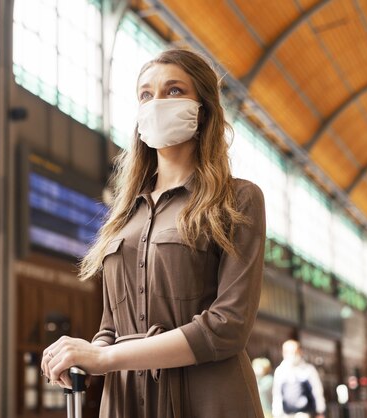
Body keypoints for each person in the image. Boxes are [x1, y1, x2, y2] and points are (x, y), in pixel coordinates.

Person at [40, 48, 266, 418]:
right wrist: (80, 355)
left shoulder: (238, 198)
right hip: (126, 401)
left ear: (203, 109)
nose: (157, 102)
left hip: (209, 401)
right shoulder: (124, 214)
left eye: (174, 90)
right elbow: (111, 326)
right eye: (146, 94)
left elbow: (228, 326)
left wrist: (105, 357)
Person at [272, 340, 326, 418]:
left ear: (300, 352)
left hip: (304, 413)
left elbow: (317, 391)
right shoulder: (280, 371)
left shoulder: (309, 370)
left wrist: (320, 411)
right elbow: (277, 393)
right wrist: (276, 413)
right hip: (286, 414)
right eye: (288, 352)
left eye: (294, 351)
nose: (292, 354)